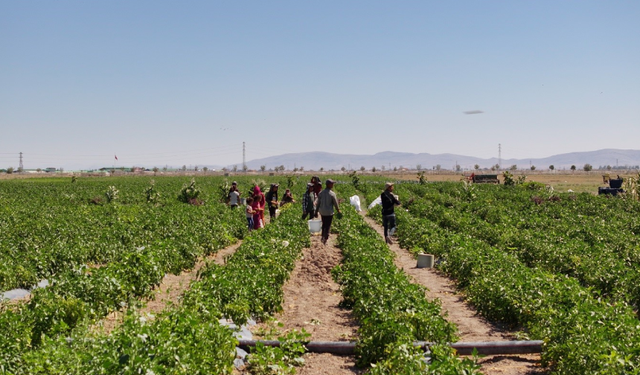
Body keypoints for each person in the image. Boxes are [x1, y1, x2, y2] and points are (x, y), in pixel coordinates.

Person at [315, 179, 341, 245]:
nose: (333, 185)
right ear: (328, 184)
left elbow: (318, 203)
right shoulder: (332, 194)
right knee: (328, 225)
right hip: (329, 212)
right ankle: (325, 238)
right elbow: (335, 203)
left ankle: (323, 236)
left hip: (322, 212)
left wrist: (316, 212)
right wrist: (338, 210)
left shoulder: (321, 193)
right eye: (332, 184)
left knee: (324, 224)